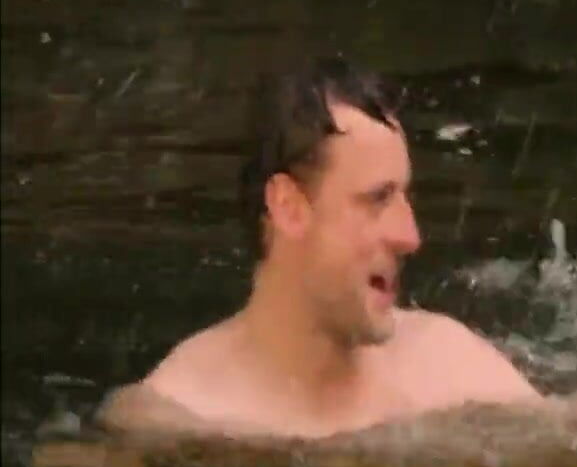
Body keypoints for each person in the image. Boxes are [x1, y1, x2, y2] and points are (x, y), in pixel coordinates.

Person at [97, 58, 543, 440]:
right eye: (377, 199)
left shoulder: (449, 368)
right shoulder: (179, 418)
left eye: (405, 197)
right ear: (289, 207)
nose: (410, 236)